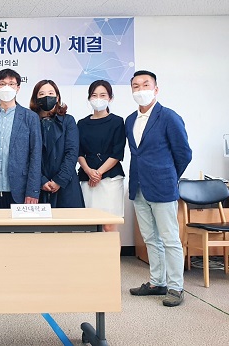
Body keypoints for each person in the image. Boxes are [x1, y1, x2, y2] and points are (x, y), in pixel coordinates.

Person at [126, 70, 192, 307]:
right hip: (138, 186)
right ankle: (157, 282)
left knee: (170, 239)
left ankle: (176, 287)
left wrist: (168, 176)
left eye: (145, 85)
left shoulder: (169, 117)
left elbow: (184, 154)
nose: (140, 89)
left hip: (162, 187)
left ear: (156, 89)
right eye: (136, 86)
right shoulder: (130, 120)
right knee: (150, 238)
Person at [0, 69, 42, 209]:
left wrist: (33, 190)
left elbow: (36, 156)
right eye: (2, 83)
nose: (7, 87)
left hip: (22, 190)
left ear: (18, 88)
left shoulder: (30, 117)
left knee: (21, 225)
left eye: (11, 84)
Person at [77, 80, 125, 231]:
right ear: (89, 98)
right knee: (89, 224)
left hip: (110, 179)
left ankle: (111, 249)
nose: (98, 99)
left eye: (103, 95)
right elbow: (78, 152)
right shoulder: (81, 124)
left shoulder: (117, 122)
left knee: (109, 225)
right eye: (94, 95)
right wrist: (89, 172)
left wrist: (98, 173)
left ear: (110, 98)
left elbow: (117, 152)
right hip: (87, 178)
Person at [29, 79, 83, 208]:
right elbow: (26, 154)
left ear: (57, 97)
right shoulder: (30, 121)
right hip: (38, 185)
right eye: (41, 94)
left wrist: (59, 180)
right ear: (36, 98)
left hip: (66, 183)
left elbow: (72, 152)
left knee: (68, 220)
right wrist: (41, 180)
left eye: (51, 93)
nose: (46, 97)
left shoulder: (68, 120)